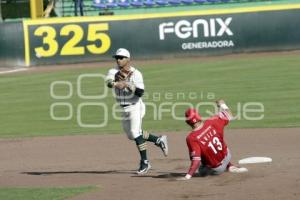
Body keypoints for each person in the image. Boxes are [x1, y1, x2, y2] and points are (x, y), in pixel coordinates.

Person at [105, 48, 168, 175]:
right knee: (131, 135)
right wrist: (117, 84)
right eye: (116, 57)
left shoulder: (136, 73)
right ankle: (159, 140)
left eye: (121, 57)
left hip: (135, 106)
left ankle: (145, 162)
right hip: (123, 108)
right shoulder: (113, 71)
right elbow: (108, 82)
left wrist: (128, 85)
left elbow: (140, 93)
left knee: (135, 132)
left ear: (128, 59)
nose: (118, 60)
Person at [177, 99, 248, 181]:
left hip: (217, 169)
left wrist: (187, 176)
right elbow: (230, 116)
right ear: (199, 116)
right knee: (216, 142)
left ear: (187, 122)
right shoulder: (213, 121)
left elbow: (196, 160)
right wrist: (222, 105)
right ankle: (230, 166)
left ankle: (227, 167)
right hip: (227, 155)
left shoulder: (191, 138)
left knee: (201, 169)